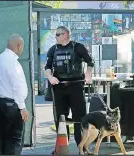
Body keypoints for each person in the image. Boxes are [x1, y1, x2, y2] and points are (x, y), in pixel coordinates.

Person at [44, 26, 94, 154]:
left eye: (58, 34)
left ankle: (82, 146)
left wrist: (88, 75)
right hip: (59, 87)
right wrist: (50, 77)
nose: (55, 37)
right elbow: (47, 67)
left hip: (76, 86)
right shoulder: (53, 49)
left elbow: (90, 62)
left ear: (65, 35)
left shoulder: (78, 47)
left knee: (80, 117)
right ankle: (61, 147)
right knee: (60, 118)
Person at [0, 34, 29, 155]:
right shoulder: (12, 62)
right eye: (22, 47)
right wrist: (22, 108)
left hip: (1, 104)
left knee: (1, 139)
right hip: (13, 106)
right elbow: (17, 86)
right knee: (14, 140)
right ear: (18, 46)